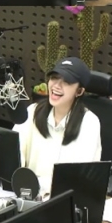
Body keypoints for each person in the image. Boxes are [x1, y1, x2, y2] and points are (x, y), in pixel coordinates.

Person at [13, 57, 101, 197]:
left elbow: (77, 176)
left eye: (66, 82)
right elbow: (14, 156)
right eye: (54, 78)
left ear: (79, 91)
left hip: (64, 200)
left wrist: (37, 184)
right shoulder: (32, 111)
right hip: (28, 195)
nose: (56, 86)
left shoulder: (89, 123)